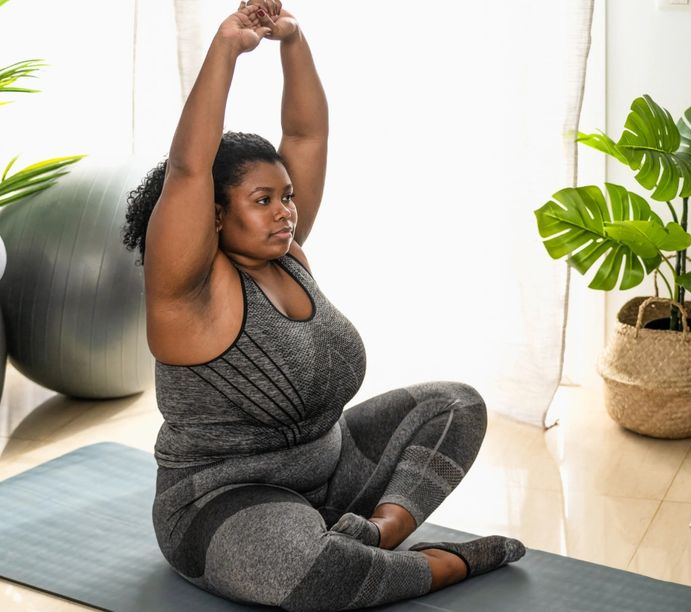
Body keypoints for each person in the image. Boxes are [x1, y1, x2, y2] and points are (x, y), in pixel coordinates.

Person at [122, 2, 525, 610]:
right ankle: (442, 565)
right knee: (304, 570)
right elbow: (188, 166)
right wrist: (228, 46)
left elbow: (308, 135)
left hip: (333, 480)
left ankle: (382, 536)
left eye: (287, 196)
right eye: (264, 199)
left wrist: (292, 39)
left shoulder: (289, 254)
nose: (286, 210)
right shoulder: (189, 297)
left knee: (455, 404)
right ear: (212, 212)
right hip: (227, 505)